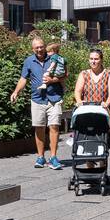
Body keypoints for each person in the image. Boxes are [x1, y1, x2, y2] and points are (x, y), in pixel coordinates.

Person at [10, 36, 66, 170]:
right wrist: (16, 92)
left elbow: (64, 75)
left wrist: (52, 80)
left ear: (44, 46)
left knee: (54, 126)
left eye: (41, 47)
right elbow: (23, 79)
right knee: (39, 127)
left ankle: (53, 157)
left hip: (54, 98)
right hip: (37, 99)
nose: (40, 49)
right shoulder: (29, 61)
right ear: (33, 49)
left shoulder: (55, 57)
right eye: (37, 48)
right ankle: (40, 157)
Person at [73, 48, 110, 148]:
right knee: (87, 142)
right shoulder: (84, 74)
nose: (93, 61)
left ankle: (103, 161)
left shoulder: (108, 74)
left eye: (96, 59)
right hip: (87, 111)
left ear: (101, 60)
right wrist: (79, 101)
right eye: (91, 59)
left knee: (104, 142)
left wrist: (107, 103)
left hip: (103, 110)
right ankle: (90, 161)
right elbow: (78, 91)